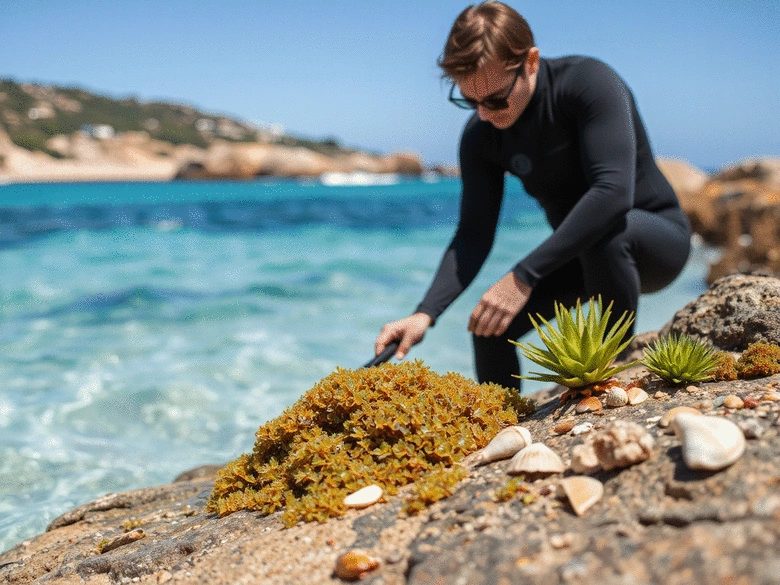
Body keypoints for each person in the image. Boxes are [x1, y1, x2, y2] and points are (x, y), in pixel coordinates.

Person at [374, 1, 691, 391]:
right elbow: (473, 233)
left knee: (607, 232)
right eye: (470, 101)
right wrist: (425, 313)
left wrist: (522, 275)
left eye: (494, 98)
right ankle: (505, 431)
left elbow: (612, 194)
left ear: (530, 62)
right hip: (580, 255)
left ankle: (614, 375)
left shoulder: (588, 83)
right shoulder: (481, 136)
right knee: (489, 325)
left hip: (654, 243)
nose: (485, 114)